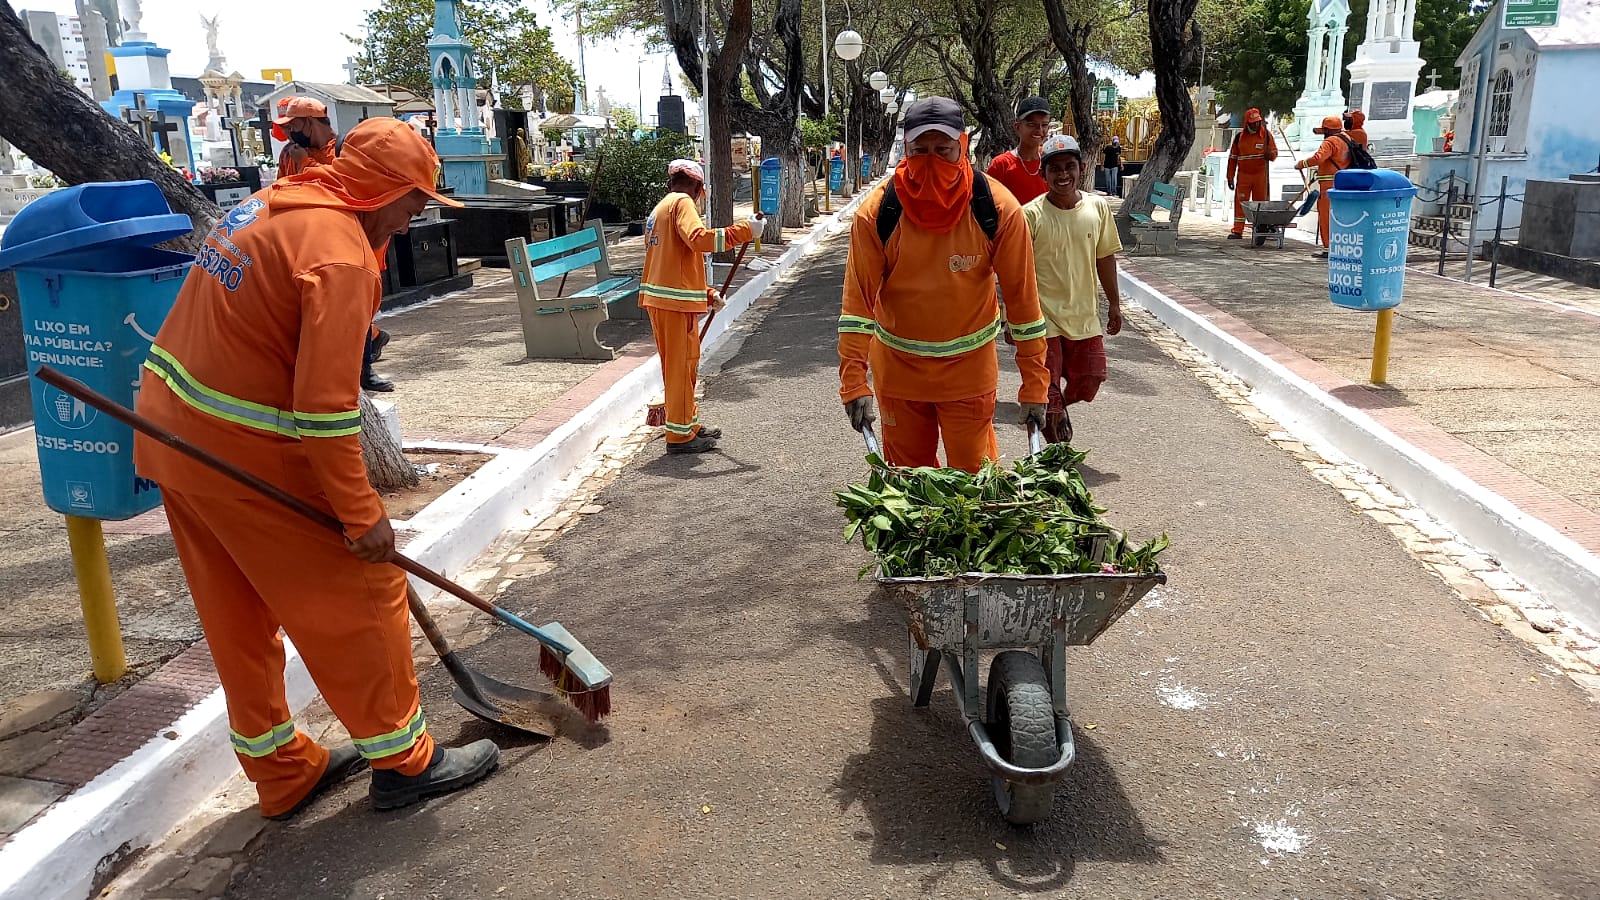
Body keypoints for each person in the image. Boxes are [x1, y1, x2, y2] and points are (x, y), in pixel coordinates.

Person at [133, 118, 501, 819]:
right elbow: (327, 410)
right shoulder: (337, 256)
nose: (419, 211)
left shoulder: (274, 204)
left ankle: (280, 770)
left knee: (237, 613)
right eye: (415, 198)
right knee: (366, 592)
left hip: (172, 435)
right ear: (384, 192)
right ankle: (403, 762)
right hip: (245, 451)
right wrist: (363, 515)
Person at [838, 97, 1049, 473]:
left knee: (977, 489)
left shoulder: (997, 209)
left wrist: (1035, 383)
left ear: (963, 146)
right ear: (905, 149)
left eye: (943, 149)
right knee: (911, 492)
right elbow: (857, 307)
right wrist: (853, 380)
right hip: (899, 375)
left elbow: (1023, 304)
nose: (931, 160)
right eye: (920, 150)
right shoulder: (877, 214)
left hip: (968, 376)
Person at [639, 159, 761, 453]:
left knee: (682, 367)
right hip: (673, 304)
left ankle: (687, 423)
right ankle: (680, 437)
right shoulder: (682, 204)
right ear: (697, 187)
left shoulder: (660, 210)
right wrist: (745, 231)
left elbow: (674, 262)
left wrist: (706, 293)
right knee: (682, 368)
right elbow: (699, 240)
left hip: (664, 300)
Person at [1022, 135, 1123, 446]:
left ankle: (1060, 405)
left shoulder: (1097, 207)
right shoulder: (1030, 215)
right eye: (1054, 169)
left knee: (1090, 380)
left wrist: (1115, 304)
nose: (1062, 175)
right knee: (1046, 392)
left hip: (1084, 317)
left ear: (1082, 168)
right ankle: (1052, 452)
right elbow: (1017, 272)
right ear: (1044, 174)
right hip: (1043, 320)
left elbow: (1105, 256)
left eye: (1069, 167)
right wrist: (1012, 318)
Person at [1295, 115, 1352, 258]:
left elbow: (1318, 158)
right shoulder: (1347, 139)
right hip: (1344, 183)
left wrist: (1302, 164)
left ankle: (1328, 249)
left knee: (1326, 216)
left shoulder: (1330, 141)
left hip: (1329, 185)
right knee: (1340, 217)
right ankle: (1340, 247)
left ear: (1327, 130)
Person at [986, 96, 1052, 205]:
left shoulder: (1050, 160)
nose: (1039, 130)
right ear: (1017, 127)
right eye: (1032, 124)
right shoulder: (1001, 165)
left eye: (1044, 125)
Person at [1225, 108, 1278, 240]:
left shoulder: (1266, 135)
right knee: (1240, 203)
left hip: (1260, 176)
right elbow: (1232, 158)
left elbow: (1274, 152)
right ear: (1247, 123)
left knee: (1261, 203)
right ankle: (1237, 230)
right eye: (1252, 122)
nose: (1255, 125)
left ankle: (1261, 228)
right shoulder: (1239, 138)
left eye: (1257, 122)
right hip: (1244, 176)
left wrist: (1270, 155)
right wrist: (1230, 177)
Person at [274, 97, 337, 178]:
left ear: (309, 122)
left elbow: (339, 181)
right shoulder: (292, 152)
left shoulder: (344, 150)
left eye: (293, 126)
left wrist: (303, 162)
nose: (291, 132)